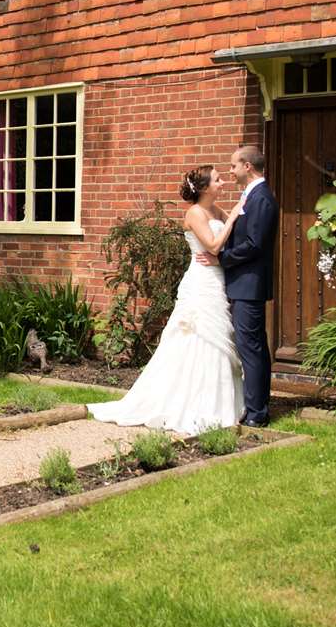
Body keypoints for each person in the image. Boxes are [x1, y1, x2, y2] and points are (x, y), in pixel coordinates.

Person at [88, 165, 244, 435]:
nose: (223, 183)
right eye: (218, 180)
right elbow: (215, 245)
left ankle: (220, 404)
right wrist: (231, 221)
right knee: (198, 336)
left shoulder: (216, 210)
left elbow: (230, 235)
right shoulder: (195, 213)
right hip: (201, 282)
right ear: (205, 187)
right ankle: (188, 404)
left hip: (217, 280)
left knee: (218, 337)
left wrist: (236, 215)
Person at [196, 145, 277, 427]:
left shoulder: (262, 199)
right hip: (241, 284)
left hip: (249, 285)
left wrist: (222, 258)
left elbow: (254, 244)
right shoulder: (249, 196)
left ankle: (257, 413)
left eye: (233, 166)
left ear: (247, 167)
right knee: (252, 346)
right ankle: (256, 406)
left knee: (250, 347)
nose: (230, 171)